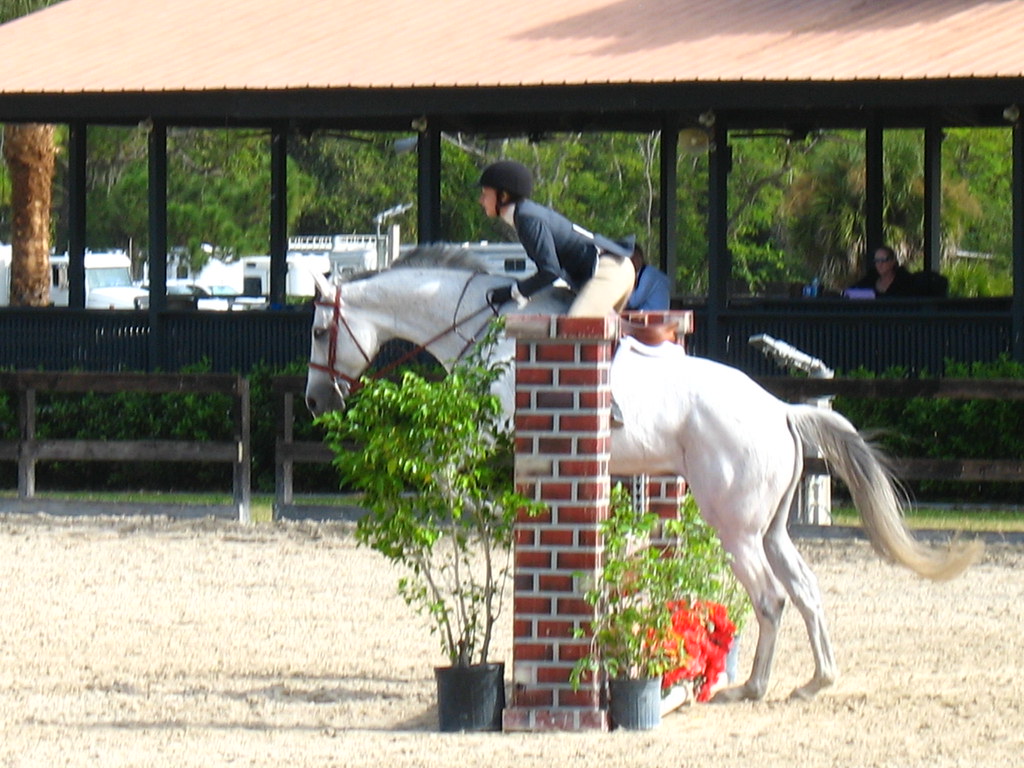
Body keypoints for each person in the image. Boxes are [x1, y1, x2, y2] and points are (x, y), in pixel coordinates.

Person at [477, 160, 635, 317]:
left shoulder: (527, 220)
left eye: (485, 194)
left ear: (503, 196)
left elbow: (550, 271)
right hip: (612, 267)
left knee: (575, 327)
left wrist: (513, 291)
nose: (481, 200)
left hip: (607, 270)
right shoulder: (525, 214)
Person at [849, 245, 917, 297]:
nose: (880, 264)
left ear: (892, 262)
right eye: (877, 261)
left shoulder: (905, 282)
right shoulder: (870, 279)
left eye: (883, 260)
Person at [624, 243, 670, 311]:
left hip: (654, 316)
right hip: (647, 314)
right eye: (630, 258)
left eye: (635, 257)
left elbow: (633, 301)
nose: (632, 260)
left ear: (641, 257)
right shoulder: (641, 273)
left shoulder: (648, 274)